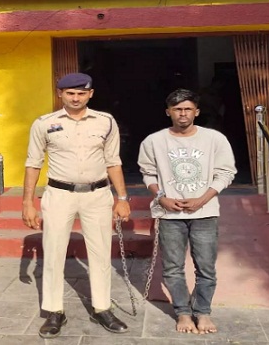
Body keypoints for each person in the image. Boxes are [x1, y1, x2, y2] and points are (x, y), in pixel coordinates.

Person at [22, 72, 131, 339]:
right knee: (53, 252)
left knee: (100, 252)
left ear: (90, 94)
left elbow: (113, 161)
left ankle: (102, 308)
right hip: (59, 194)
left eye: (81, 93)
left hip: (98, 194)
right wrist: (27, 202)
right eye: (70, 93)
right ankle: (53, 311)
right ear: (60, 94)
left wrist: (122, 198)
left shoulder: (106, 121)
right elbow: (33, 163)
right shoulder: (44, 124)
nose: (75, 98)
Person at [138, 88, 237, 334]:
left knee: (206, 268)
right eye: (177, 109)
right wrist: (161, 198)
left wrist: (203, 199)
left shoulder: (214, 139)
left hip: (205, 213)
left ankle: (202, 312)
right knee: (173, 267)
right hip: (169, 214)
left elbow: (226, 173)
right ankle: (183, 312)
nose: (183, 114)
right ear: (168, 112)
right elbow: (148, 173)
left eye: (188, 109)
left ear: (197, 112)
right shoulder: (153, 141)